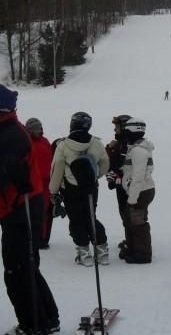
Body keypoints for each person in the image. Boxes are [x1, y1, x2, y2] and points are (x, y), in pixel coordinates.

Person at [0, 84, 59, 335]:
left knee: (17, 271)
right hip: (22, 207)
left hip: (21, 212)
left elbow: (1, 179)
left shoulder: (9, 136)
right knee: (26, 266)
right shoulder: (5, 132)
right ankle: (47, 318)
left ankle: (32, 327)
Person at [49, 111, 111, 266]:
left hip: (70, 188)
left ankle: (84, 253)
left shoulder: (63, 144)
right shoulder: (96, 143)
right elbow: (105, 163)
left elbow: (57, 168)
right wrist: (95, 176)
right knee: (91, 216)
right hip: (90, 186)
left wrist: (53, 191)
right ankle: (102, 250)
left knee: (76, 219)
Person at [119, 118, 155, 264]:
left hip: (140, 192)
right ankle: (132, 249)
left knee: (138, 222)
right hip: (138, 191)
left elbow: (138, 176)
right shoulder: (136, 148)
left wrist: (132, 199)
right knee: (130, 220)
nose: (125, 135)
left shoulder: (138, 151)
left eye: (126, 131)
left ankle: (143, 255)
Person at [25, 118, 54, 249]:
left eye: (40, 128)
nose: (38, 131)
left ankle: (43, 238)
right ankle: (34, 237)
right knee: (35, 211)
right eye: (35, 129)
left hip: (47, 182)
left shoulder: (45, 141)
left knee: (46, 211)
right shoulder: (26, 142)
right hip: (33, 182)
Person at [106, 115, 131, 249]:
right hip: (121, 183)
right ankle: (130, 238)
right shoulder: (122, 142)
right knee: (124, 212)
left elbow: (116, 162)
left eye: (117, 127)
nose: (115, 130)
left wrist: (110, 149)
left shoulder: (126, 143)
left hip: (127, 184)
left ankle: (132, 240)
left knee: (127, 212)